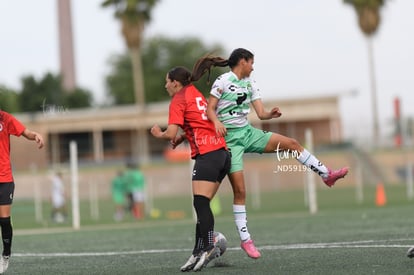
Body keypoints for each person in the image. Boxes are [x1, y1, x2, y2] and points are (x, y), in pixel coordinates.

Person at [191, 48, 349, 259]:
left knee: (292, 143)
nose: (253, 67)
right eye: (251, 62)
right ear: (242, 62)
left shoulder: (251, 83)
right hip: (229, 142)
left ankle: (326, 175)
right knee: (240, 191)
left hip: (247, 133)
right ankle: (246, 240)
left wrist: (270, 115)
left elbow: (261, 113)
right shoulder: (222, 81)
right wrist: (217, 122)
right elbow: (210, 109)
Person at [151, 66, 231, 272]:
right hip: (222, 154)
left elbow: (169, 133)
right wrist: (183, 137)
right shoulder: (195, 93)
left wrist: (159, 134)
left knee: (200, 203)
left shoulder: (178, 99)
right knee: (201, 204)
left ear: (175, 83)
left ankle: (209, 246)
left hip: (208, 154)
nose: (165, 85)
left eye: (167, 81)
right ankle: (198, 251)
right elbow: (200, 123)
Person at [0, 110, 44, 274]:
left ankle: (5, 255)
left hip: (4, 179)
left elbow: (25, 132)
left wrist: (35, 135)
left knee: (4, 221)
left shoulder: (6, 119)